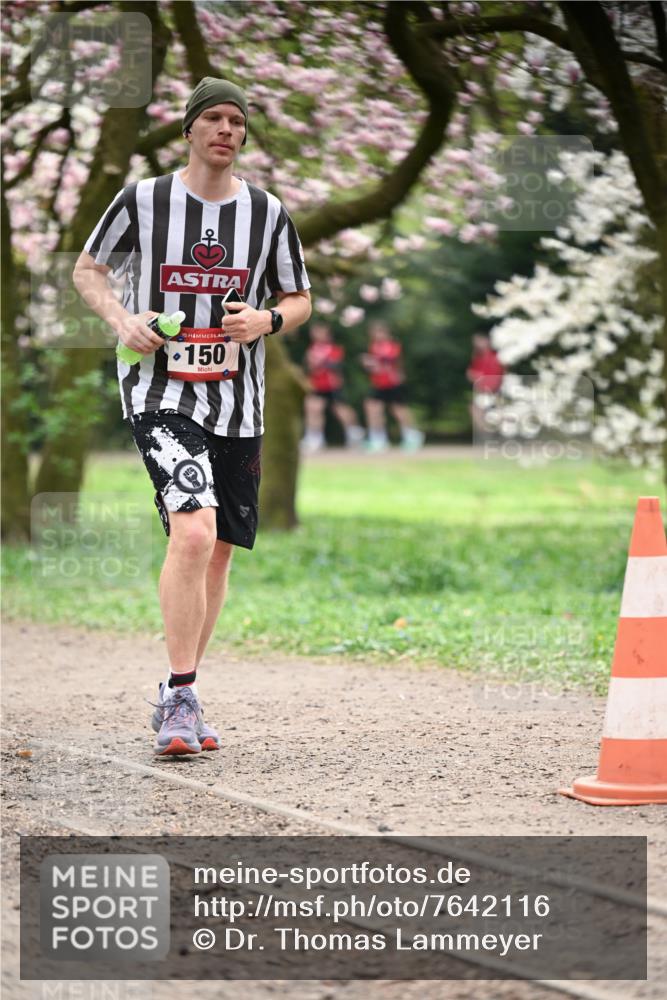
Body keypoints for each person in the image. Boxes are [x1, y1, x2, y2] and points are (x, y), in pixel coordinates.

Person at [73, 77, 311, 756]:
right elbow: (88, 271)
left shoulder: (267, 213)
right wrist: (125, 318)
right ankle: (181, 697)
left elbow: (299, 297)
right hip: (159, 390)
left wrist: (265, 318)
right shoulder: (145, 200)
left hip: (240, 400)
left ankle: (182, 690)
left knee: (221, 550)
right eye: (213, 118)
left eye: (237, 120)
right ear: (189, 130)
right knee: (195, 531)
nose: (226, 130)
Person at [360, 319, 424, 452]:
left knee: (399, 410)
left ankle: (412, 436)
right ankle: (378, 439)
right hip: (378, 383)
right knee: (372, 408)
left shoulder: (392, 345)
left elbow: (389, 360)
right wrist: (368, 364)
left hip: (392, 382)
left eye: (379, 332)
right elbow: (375, 367)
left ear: (385, 332)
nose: (376, 335)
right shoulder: (373, 346)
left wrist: (372, 361)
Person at [301, 322, 364, 453]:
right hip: (317, 385)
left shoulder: (333, 348)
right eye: (314, 331)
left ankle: (354, 435)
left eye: (319, 331)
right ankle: (314, 438)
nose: (315, 334)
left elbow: (336, 365)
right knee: (313, 409)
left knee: (341, 410)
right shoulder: (312, 348)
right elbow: (309, 367)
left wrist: (321, 362)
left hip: (332, 385)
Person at [466, 333, 505, 436]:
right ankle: (487, 433)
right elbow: (472, 374)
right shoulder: (478, 357)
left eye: (479, 340)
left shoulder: (494, 357)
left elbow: (497, 376)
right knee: (478, 410)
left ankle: (489, 433)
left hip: (492, 391)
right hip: (485, 391)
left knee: (479, 410)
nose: (476, 343)